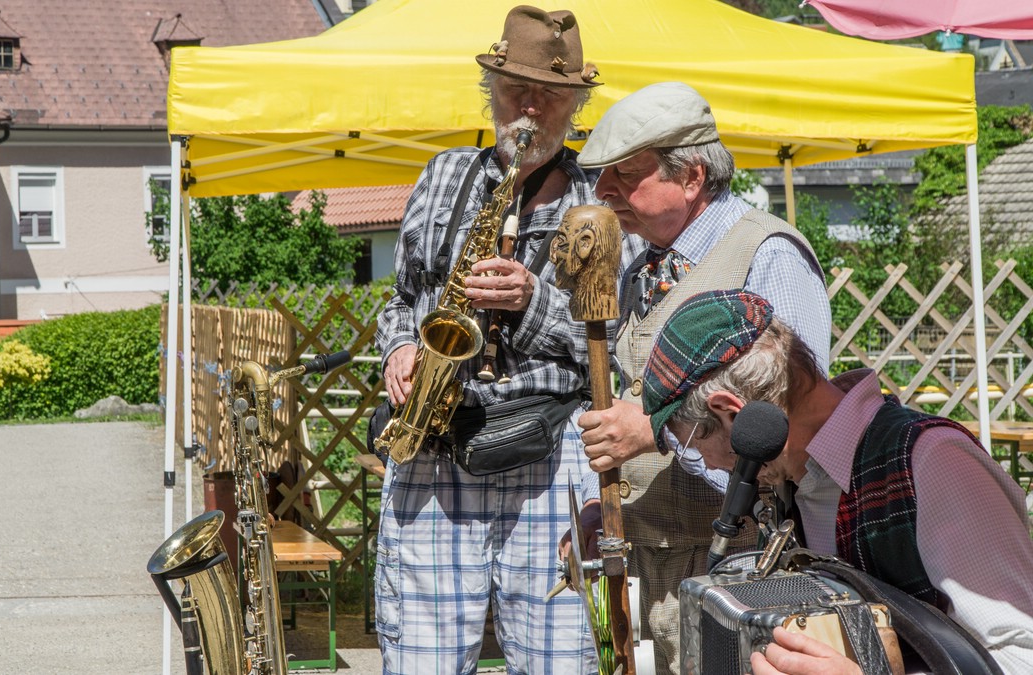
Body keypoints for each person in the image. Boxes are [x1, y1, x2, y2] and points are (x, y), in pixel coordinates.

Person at [373, 6, 615, 674]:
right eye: (516, 92)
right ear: (492, 91)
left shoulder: (599, 200)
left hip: (548, 456)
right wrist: (397, 348)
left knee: (561, 660)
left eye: (549, 95)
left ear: (575, 104)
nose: (530, 109)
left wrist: (534, 303)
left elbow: (616, 342)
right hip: (436, 451)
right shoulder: (444, 174)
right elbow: (400, 301)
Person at [562, 81, 833, 674]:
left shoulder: (768, 254)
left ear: (690, 177)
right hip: (662, 569)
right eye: (600, 176)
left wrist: (656, 433)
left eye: (624, 175)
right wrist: (602, 506)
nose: (603, 193)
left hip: (747, 575)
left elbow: (791, 433)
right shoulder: (637, 265)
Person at [640, 289, 1033, 674]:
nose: (704, 461)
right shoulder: (786, 487)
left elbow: (1023, 656)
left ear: (731, 413)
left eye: (692, 441)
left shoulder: (934, 460)